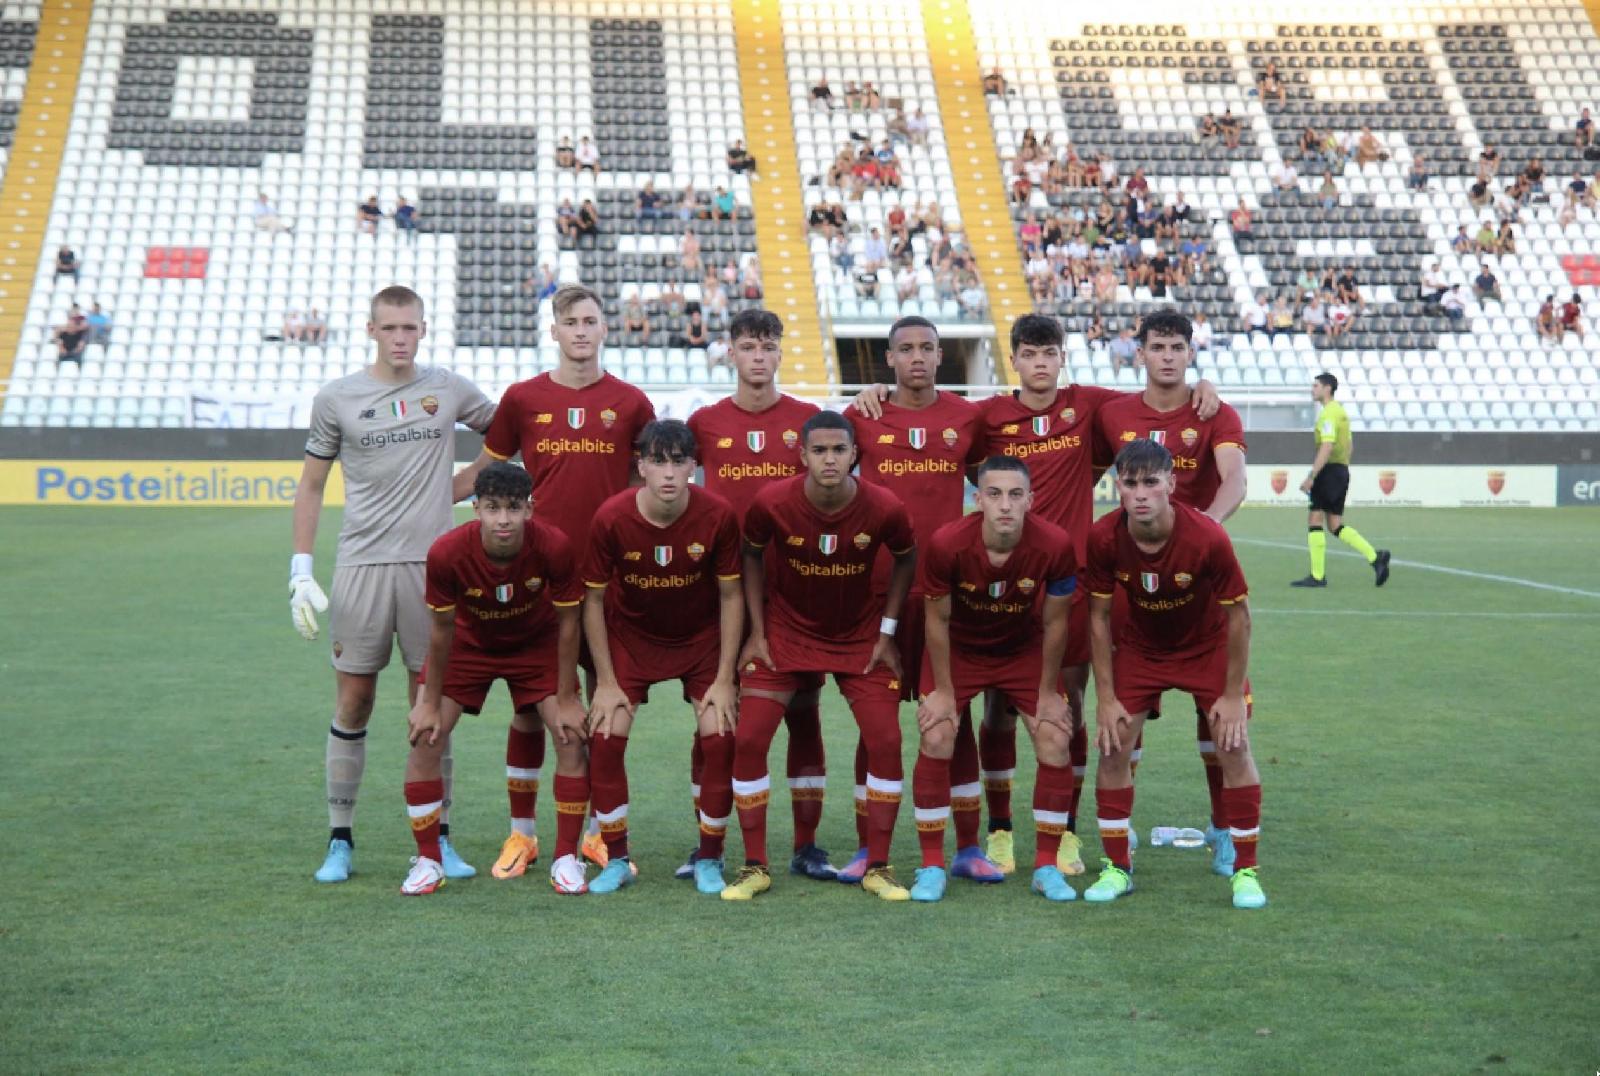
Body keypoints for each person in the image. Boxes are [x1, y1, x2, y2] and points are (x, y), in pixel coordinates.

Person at [964, 316, 1222, 872]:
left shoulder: (1090, 406)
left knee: (1072, 708)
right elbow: (946, 448)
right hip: (1003, 580)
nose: (1040, 364)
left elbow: (1157, 401)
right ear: (1014, 360)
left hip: (1072, 581)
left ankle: (1069, 833)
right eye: (1029, 354)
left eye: (1049, 354)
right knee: (1000, 708)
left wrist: (1203, 389)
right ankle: (1001, 830)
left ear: (1062, 358)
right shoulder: (986, 416)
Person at [290, 285, 497, 885]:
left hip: (434, 569)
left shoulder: (448, 387)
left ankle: (438, 843)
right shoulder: (337, 399)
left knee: (429, 708)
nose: (401, 338)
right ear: (371, 329)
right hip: (360, 567)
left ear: (424, 329)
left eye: (411, 327)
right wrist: (300, 568)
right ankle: (339, 839)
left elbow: (507, 433)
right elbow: (309, 485)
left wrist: (461, 488)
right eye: (390, 328)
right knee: (353, 702)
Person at [464, 285, 657, 873]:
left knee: (604, 701)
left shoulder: (630, 403)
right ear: (554, 330)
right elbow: (483, 474)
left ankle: (598, 831)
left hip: (607, 579)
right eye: (570, 321)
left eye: (590, 321)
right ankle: (522, 834)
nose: (580, 330)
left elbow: (646, 482)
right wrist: (417, 504)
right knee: (528, 707)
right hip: (536, 576)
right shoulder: (523, 399)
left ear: (605, 330)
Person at [722, 411, 916, 902]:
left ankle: (878, 865)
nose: (830, 459)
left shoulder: (885, 506)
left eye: (839, 450)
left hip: (859, 636)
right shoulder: (771, 502)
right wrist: (757, 631)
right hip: (785, 634)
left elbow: (907, 558)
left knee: (886, 739)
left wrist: (887, 632)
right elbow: (750, 554)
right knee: (748, 739)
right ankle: (754, 866)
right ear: (802, 454)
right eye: (820, 450)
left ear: (855, 454)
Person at [844, 317, 997, 885]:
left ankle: (967, 846)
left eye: (927, 348)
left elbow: (1000, 479)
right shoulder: (864, 416)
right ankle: (866, 847)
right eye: (905, 349)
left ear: (940, 356)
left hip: (945, 598)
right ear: (887, 359)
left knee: (948, 720)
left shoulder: (967, 418)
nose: (916, 358)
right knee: (874, 726)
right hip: (878, 595)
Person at [1083, 438, 1265, 909]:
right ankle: (1117, 867)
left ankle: (1245, 872)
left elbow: (1240, 618)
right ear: (1116, 486)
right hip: (1143, 650)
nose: (1140, 493)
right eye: (1130, 483)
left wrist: (1229, 695)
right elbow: (1099, 618)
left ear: (1171, 484)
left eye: (1150, 483)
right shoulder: (1104, 537)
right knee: (1113, 745)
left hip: (1208, 649)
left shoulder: (1207, 536)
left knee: (1234, 744)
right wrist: (1104, 696)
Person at [1093, 310, 1248, 862]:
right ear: (1140, 353)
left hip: (1199, 590)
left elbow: (1235, 478)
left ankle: (1225, 828)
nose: (1166, 356)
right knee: (1125, 717)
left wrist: (1202, 531)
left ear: (1189, 353)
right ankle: (1120, 828)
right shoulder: (1111, 413)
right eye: (1157, 346)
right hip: (1132, 593)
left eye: (1176, 347)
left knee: (1220, 719)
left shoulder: (1215, 411)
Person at [685, 310, 833, 883]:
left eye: (768, 346)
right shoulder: (704, 423)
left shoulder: (806, 420)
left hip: (797, 592)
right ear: (731, 352)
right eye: (748, 346)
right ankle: (708, 844)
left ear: (779, 354)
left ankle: (806, 845)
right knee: (713, 718)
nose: (758, 356)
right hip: (720, 590)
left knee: (803, 712)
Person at [401, 463, 587, 895]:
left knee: (571, 735)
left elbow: (569, 624)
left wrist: (566, 696)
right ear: (475, 509)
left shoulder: (554, 546)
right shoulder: (447, 553)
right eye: (492, 508)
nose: (503, 519)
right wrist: (429, 701)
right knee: (426, 736)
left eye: (513, 508)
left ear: (530, 509)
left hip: (535, 643)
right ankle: (428, 861)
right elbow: (442, 631)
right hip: (470, 643)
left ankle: (565, 857)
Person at [581, 421, 744, 895]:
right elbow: (591, 601)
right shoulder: (611, 517)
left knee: (719, 735)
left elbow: (732, 597)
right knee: (607, 737)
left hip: (700, 640)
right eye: (658, 461)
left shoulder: (718, 515)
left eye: (679, 461)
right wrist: (606, 681)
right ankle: (616, 857)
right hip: (631, 639)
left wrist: (724, 677)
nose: (669, 473)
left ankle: (709, 858)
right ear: (641, 466)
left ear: (695, 465)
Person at [912, 457, 1078, 903]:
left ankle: (1046, 867)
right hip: (960, 650)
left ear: (1031, 500)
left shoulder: (1055, 544)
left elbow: (1057, 623)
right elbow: (937, 620)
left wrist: (1047, 694)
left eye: (1016, 494)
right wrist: (944, 692)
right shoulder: (947, 544)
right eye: (996, 494)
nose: (1006, 504)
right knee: (937, 735)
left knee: (1055, 739)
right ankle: (931, 865)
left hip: (1022, 650)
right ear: (978, 499)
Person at [1293, 373, 1390, 588]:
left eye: (1316, 385)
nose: (1313, 389)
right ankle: (1375, 558)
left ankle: (1317, 576)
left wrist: (1312, 476)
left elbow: (1327, 446)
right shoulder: (1341, 413)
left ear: (1327, 388)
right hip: (1341, 470)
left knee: (1314, 519)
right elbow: (1349, 446)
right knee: (1335, 524)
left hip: (1329, 472)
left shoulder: (1328, 414)